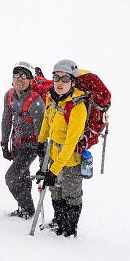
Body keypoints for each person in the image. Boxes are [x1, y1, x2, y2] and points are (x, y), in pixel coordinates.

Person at [36, 59, 88, 237]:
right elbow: (46, 119)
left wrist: (54, 170)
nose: (60, 82)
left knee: (71, 194)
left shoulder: (78, 107)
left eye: (65, 79)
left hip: (71, 159)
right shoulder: (52, 97)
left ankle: (69, 230)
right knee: (55, 191)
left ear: (73, 82)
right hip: (53, 152)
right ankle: (59, 222)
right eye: (56, 77)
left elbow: (70, 143)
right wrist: (41, 142)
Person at [0, 61, 46, 219]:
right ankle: (24, 209)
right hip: (17, 142)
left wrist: (42, 161)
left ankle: (27, 209)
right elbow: (6, 119)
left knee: (11, 178)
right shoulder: (9, 95)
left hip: (32, 146)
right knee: (22, 177)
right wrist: (4, 143)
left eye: (25, 75)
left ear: (31, 80)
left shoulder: (36, 101)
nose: (19, 79)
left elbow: (41, 132)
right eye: (16, 75)